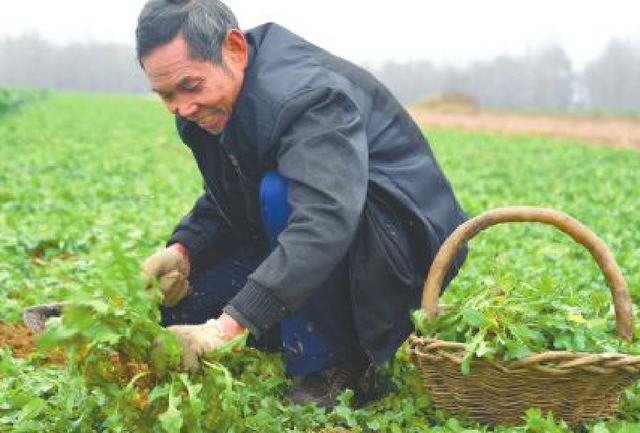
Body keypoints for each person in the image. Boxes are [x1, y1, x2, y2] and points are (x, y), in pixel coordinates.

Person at [136, 0, 467, 408]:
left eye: (191, 86)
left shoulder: (308, 98)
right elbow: (232, 189)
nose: (182, 107)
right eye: (165, 94)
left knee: (280, 192)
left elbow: (323, 221)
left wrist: (225, 328)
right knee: (181, 309)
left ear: (234, 49)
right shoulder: (205, 110)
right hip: (323, 223)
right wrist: (183, 249)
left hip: (400, 242)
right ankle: (284, 326)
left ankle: (334, 362)